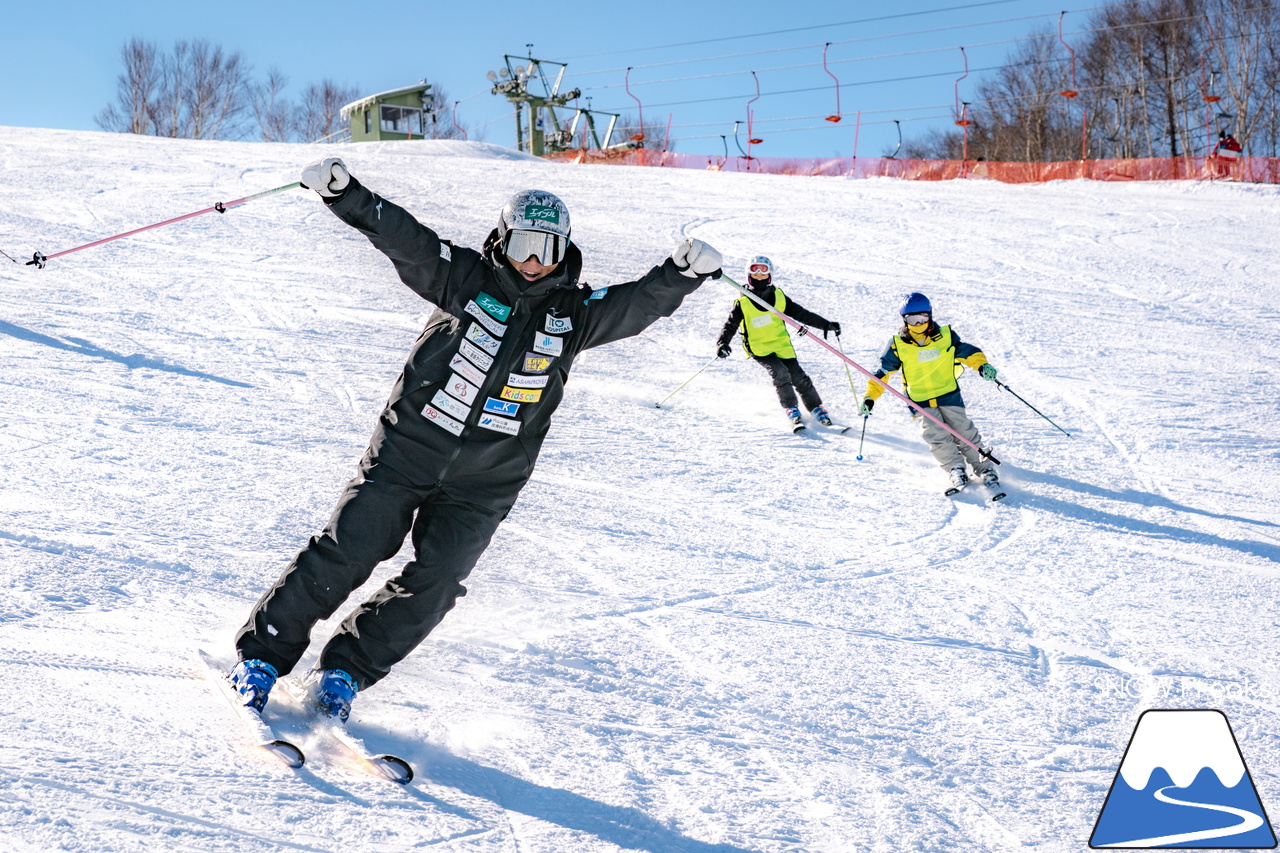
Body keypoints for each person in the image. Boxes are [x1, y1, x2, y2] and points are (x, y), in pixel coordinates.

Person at [229, 157, 723, 721]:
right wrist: (347, 195)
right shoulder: (463, 279)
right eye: (524, 245)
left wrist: (681, 274)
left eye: (549, 248)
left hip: (486, 483)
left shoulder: (576, 314)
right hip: (407, 452)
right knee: (350, 550)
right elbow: (408, 241)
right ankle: (261, 658)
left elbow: (637, 304)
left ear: (565, 250)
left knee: (437, 582)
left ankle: (344, 672)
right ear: (502, 239)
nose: (535, 261)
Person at [859, 292, 999, 493]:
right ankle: (955, 468)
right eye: (912, 319)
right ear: (904, 320)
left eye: (922, 318)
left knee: (964, 432)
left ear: (930, 315)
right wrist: (870, 397)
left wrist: (982, 366)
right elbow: (882, 374)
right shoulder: (897, 344)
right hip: (919, 400)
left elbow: (968, 352)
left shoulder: (945, 336)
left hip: (948, 393)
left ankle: (985, 469)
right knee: (938, 437)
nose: (918, 324)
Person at [713, 255, 841, 430]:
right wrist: (723, 343)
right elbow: (730, 325)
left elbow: (801, 313)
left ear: (770, 276)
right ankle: (791, 408)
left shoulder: (778, 297)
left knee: (799, 378)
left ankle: (817, 408)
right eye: (755, 274)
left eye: (763, 274)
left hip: (781, 345)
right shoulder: (743, 303)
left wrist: (825, 324)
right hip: (760, 348)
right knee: (780, 373)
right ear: (749, 276)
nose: (759, 277)